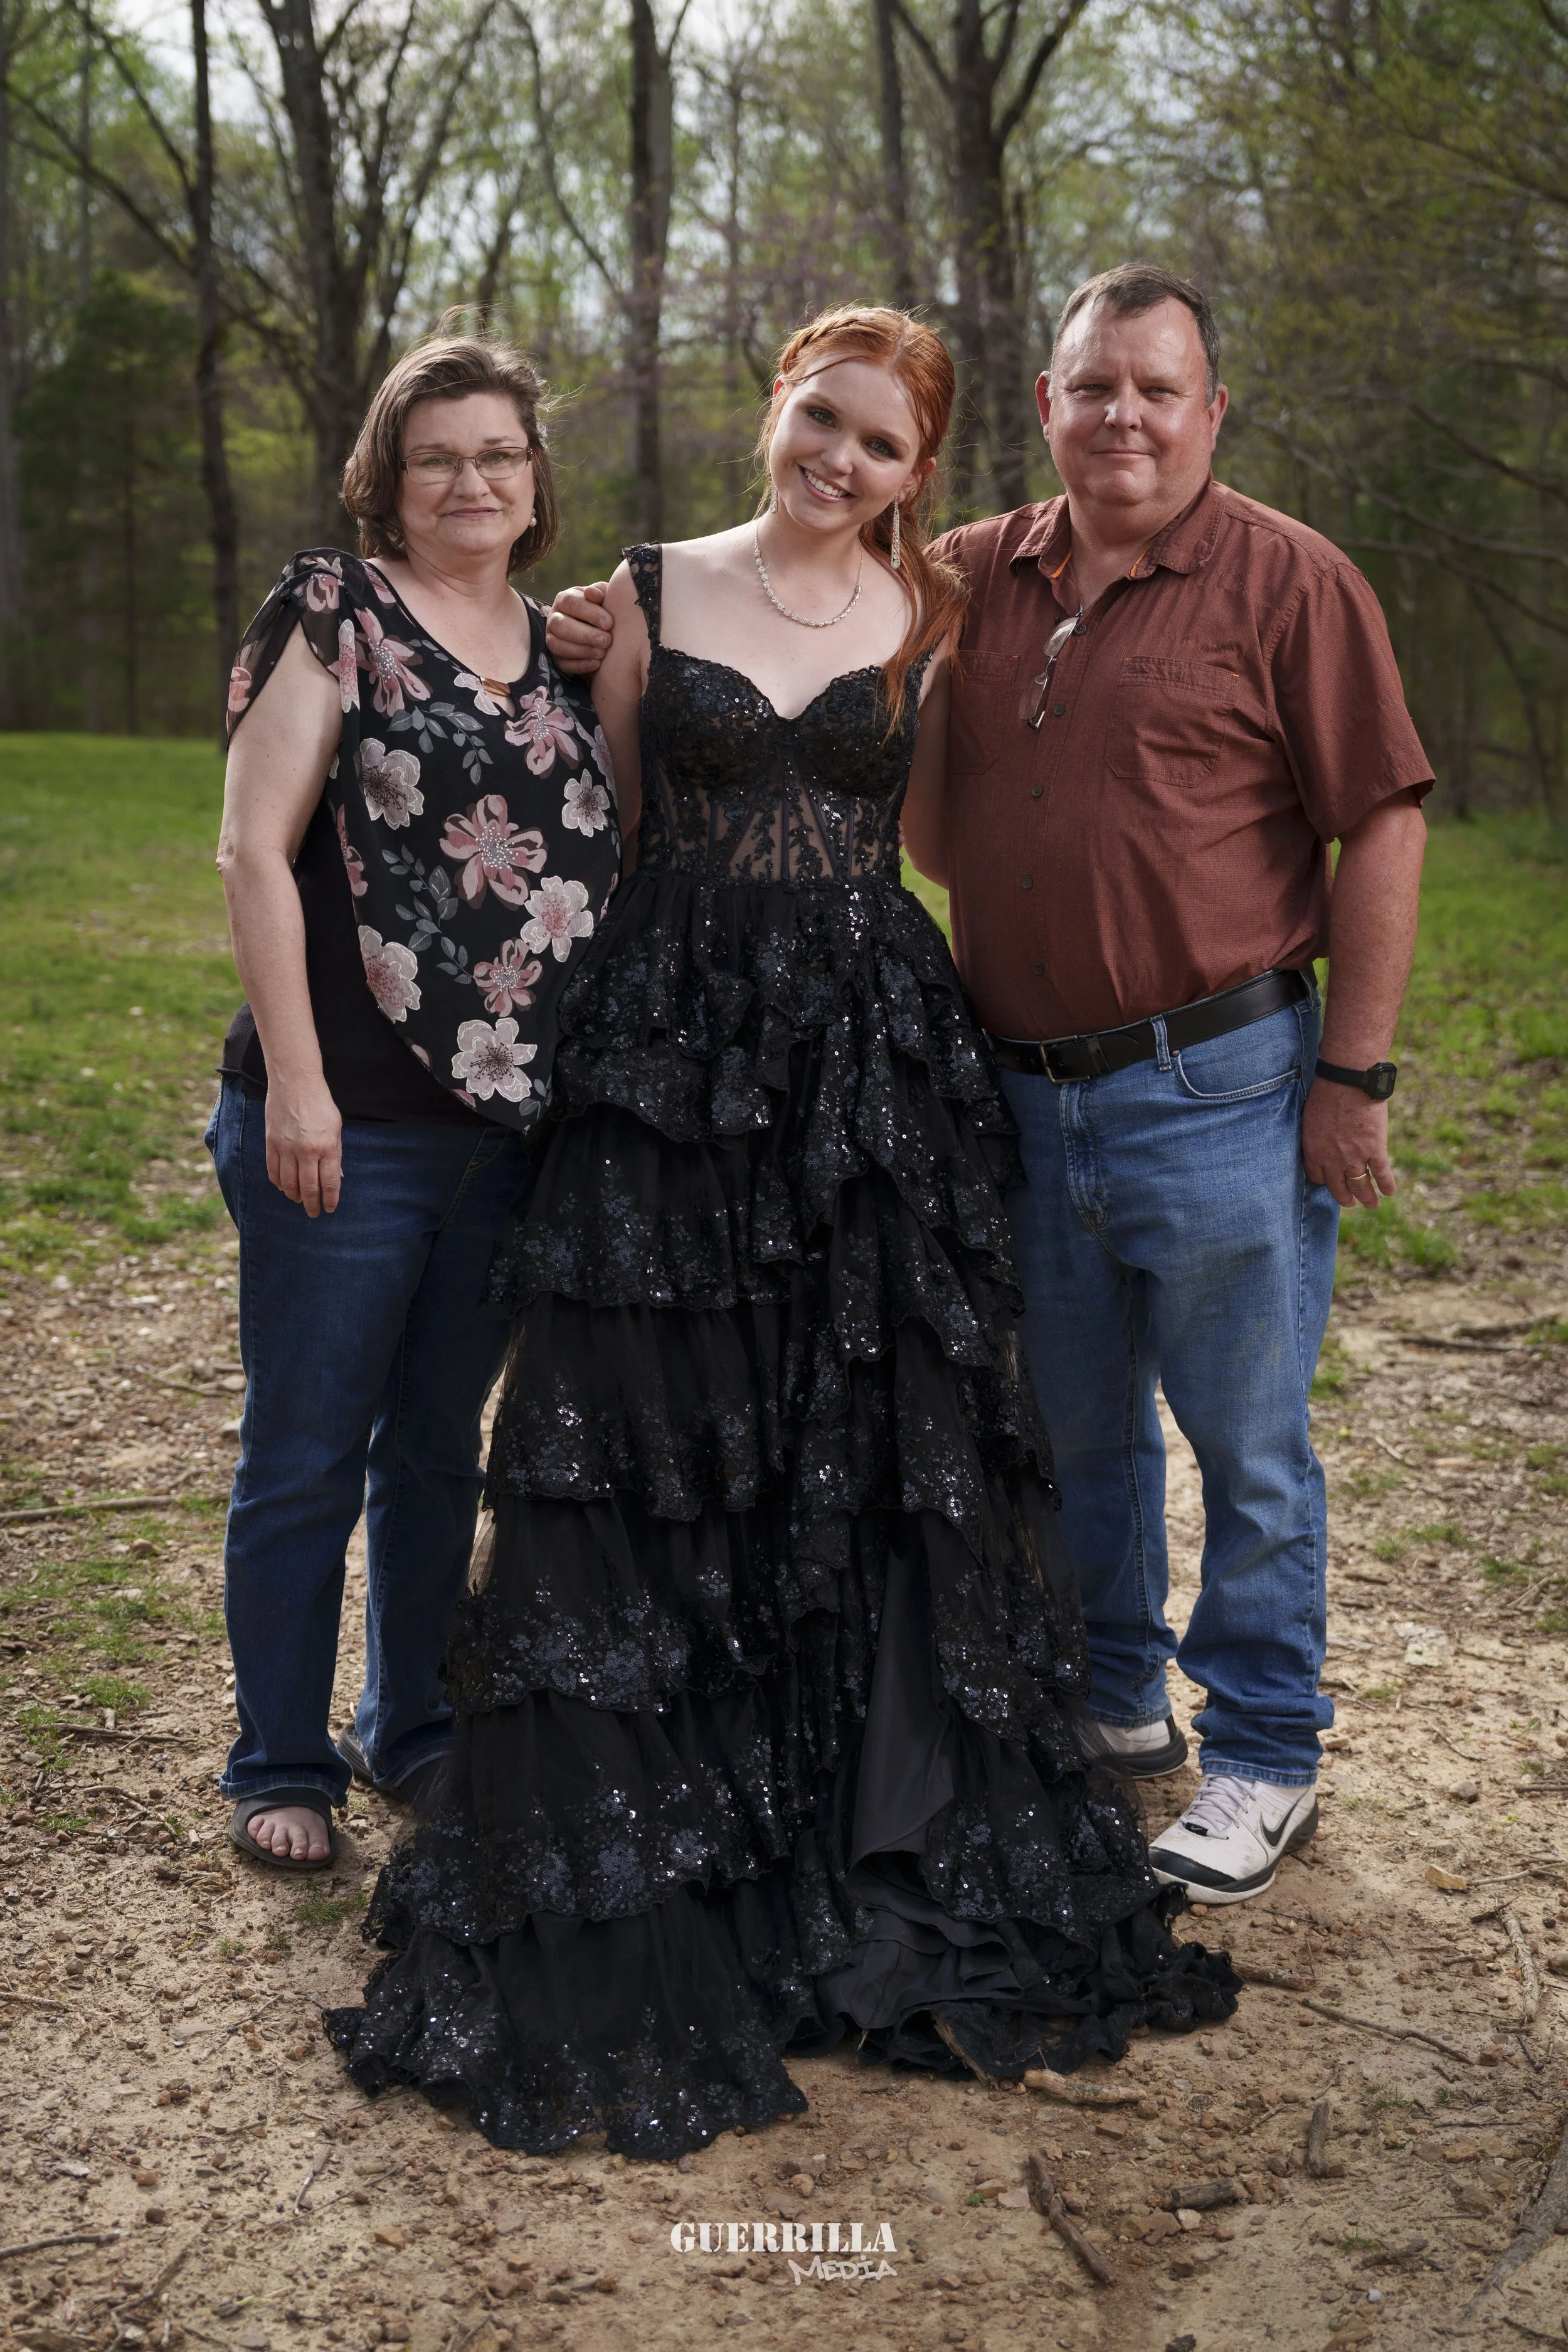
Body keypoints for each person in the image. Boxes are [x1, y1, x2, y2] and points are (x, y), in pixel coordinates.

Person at [325, 305, 1239, 2156]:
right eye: (821, 419)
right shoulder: (643, 589)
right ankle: (666, 1825)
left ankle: (869, 1821)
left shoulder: (943, 607)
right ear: (776, 412)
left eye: (881, 443)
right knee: (664, 1428)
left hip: (871, 1060)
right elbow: (606, 820)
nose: (839, 459)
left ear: (919, 472)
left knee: (873, 1440)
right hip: (677, 1047)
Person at [546, 266, 1433, 1910]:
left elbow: (1381, 816)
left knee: (1246, 1437)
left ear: (1208, 409)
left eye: (1157, 390)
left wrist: (1353, 1076)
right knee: (1069, 1429)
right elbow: (845, 708)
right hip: (1014, 1083)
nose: (1123, 417)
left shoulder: (1285, 579)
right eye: (1093, 385)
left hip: (1219, 1074)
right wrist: (589, 625)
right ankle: (1113, 1700)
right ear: (1046, 405)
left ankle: (1263, 1748)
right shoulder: (969, 574)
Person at [212, 333, 619, 1875]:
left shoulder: (568, 641)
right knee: (308, 1447)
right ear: (386, 476)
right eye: (436, 454)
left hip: (509, 1134)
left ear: (534, 482)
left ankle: (411, 1726)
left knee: (441, 1443)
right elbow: (254, 851)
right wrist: (298, 1089)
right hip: (349, 1125)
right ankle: (279, 1759)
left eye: (498, 454)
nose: (471, 479)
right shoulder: (339, 611)